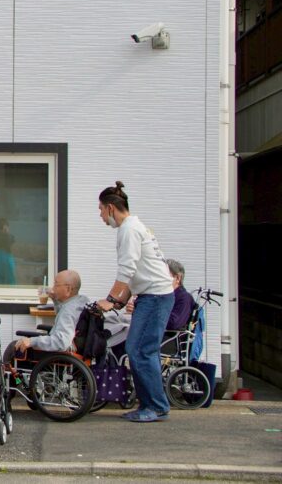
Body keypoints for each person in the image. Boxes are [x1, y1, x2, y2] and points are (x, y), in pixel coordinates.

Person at [94, 181, 175, 423]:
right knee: (141, 350)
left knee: (140, 350)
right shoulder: (136, 226)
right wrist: (121, 301)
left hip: (155, 297)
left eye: (100, 209)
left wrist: (110, 299)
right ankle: (149, 405)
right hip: (154, 295)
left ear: (110, 208)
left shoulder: (128, 230)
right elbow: (136, 273)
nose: (100, 215)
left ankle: (156, 406)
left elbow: (127, 269)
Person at [3, 270, 88, 363]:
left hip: (61, 355)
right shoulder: (81, 301)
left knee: (13, 347)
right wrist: (55, 299)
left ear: (68, 289)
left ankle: (3, 370)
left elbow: (61, 342)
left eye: (56, 284)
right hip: (74, 352)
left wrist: (31, 341)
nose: (53, 288)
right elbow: (62, 317)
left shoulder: (68, 311)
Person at [165, 259, 196, 331]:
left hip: (169, 337)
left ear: (177, 278)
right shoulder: (162, 297)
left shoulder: (184, 298)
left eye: (164, 276)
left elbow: (174, 323)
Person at [0, 218, 17, 285]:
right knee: (10, 281)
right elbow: (12, 249)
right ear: (6, 226)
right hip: (7, 258)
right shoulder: (10, 236)